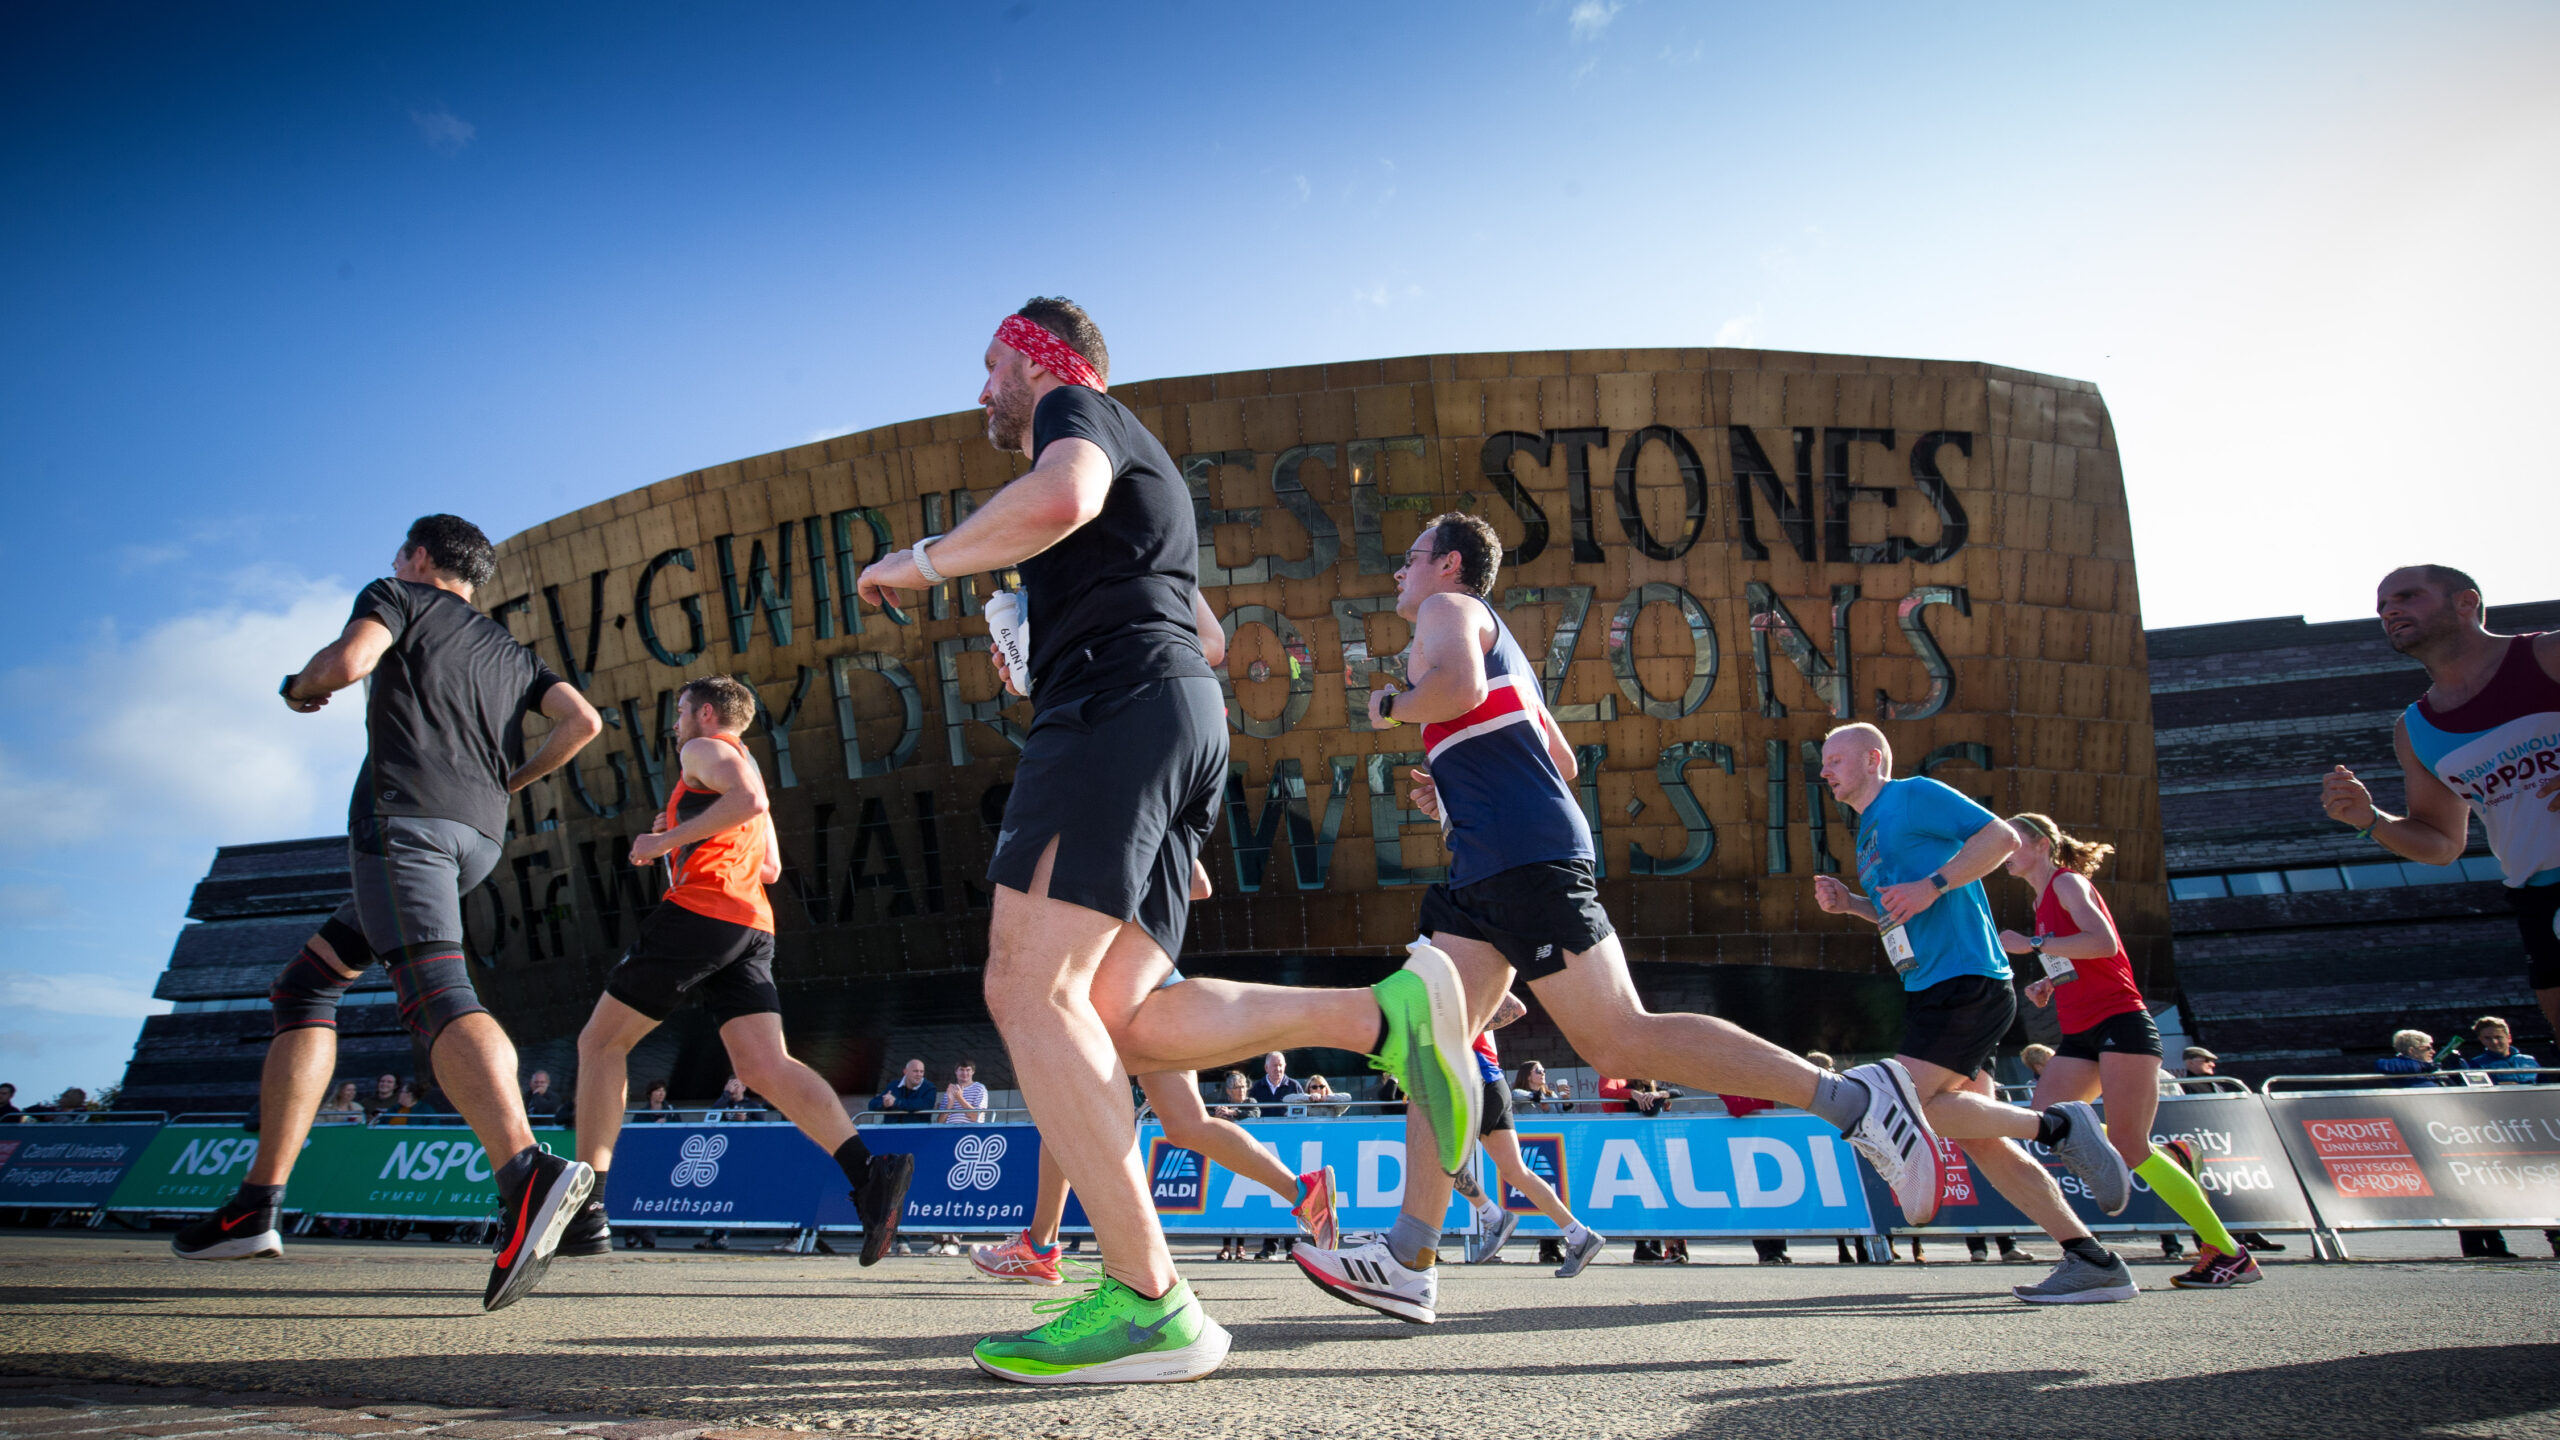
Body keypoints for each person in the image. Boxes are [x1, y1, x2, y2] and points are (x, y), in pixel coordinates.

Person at [859, 298, 1471, 1384]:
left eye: (993, 365)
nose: (983, 390)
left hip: (1112, 716)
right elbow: (1209, 632)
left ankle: (1150, 1302)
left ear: (1047, 360)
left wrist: (923, 561)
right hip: (1167, 719)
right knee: (1118, 1026)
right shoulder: (1142, 468)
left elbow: (1062, 495)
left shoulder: (1076, 414)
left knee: (1024, 988)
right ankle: (1386, 1013)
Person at [1288, 515, 1942, 1325]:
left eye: (1409, 556)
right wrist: (1457, 782)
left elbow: (1453, 694)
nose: (1399, 573)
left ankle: (1853, 1100)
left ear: (1449, 564)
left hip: (1521, 858)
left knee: (1619, 1039)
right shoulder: (1504, 646)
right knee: (1432, 1035)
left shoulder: (1445, 610)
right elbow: (1556, 758)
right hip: (1490, 858)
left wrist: (1394, 703)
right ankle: (1408, 1257)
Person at [172, 516, 604, 1309]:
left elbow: (348, 662)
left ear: (417, 558)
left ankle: (526, 1171)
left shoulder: (398, 596)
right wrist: (510, 783)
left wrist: (300, 688)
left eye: (400, 555)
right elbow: (584, 722)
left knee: (436, 993)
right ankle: (254, 1207)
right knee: (303, 987)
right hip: (475, 839)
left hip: (404, 826)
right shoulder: (512, 652)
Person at [563, 676, 914, 1265]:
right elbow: (771, 865)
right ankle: (869, 1174)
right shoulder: (742, 764)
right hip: (750, 926)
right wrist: (684, 834)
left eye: (678, 711)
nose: (674, 723)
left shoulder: (702, 750)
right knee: (764, 1064)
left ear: (705, 713)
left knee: (599, 1043)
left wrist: (665, 840)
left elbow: (748, 804)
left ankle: (586, 1210)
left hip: (701, 914)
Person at [1812, 724, 2139, 1304]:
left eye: (1835, 759)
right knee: (1979, 1136)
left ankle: (2059, 1125)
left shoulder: (1913, 794)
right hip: (1931, 984)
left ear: (1872, 758)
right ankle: (2091, 1259)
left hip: (1967, 979)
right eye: (1824, 762)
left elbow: (2001, 838)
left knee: (1909, 1103)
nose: (1824, 771)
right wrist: (1854, 904)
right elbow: (1901, 912)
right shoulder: (1868, 829)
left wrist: (1935, 884)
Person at [1998, 812, 2262, 1289]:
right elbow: (2081, 957)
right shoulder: (2042, 897)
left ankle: (2229, 1253)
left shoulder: (2067, 883)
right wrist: (2049, 982)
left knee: (2130, 1146)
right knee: (2042, 1119)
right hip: (2081, 1031)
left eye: (2010, 840)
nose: (2002, 850)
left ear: (2039, 844)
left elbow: (2103, 943)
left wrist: (2032, 943)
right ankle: (2175, 1156)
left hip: (2122, 1022)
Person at [2321, 566, 2560, 1046]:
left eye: (2408, 596)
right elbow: (2442, 843)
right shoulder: (2415, 729)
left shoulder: (2549, 654)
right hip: (2538, 896)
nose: (2390, 610)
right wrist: (2370, 820)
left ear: (2466, 603)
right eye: (2382, 606)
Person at [1457, 992, 1606, 1274]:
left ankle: (1492, 1216)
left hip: (1480, 1086)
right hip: (1489, 1084)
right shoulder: (1455, 983)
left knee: (1443, 1161)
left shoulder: (1464, 978)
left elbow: (1516, 1008)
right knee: (1515, 1172)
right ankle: (1579, 1236)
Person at [871, 1059, 937, 1124]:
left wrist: (896, 1103)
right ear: (905, 1072)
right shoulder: (893, 1085)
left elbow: (925, 1105)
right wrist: (884, 1104)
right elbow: (872, 1104)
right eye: (915, 1071)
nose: (919, 1074)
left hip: (917, 1132)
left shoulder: (930, 1088)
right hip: (892, 1131)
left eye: (921, 1071)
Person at [2376, 1029, 2448, 1083]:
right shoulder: (2392, 1064)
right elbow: (2382, 1065)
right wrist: (2425, 1066)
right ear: (2412, 1051)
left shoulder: (2428, 1068)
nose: (2433, 1052)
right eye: (2428, 1048)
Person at [1248, 1052, 1306, 1116]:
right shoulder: (1256, 1088)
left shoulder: (1294, 1086)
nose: (1278, 1069)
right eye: (1275, 1065)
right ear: (1266, 1068)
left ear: (1285, 1066)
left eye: (1280, 1065)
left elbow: (1303, 1110)